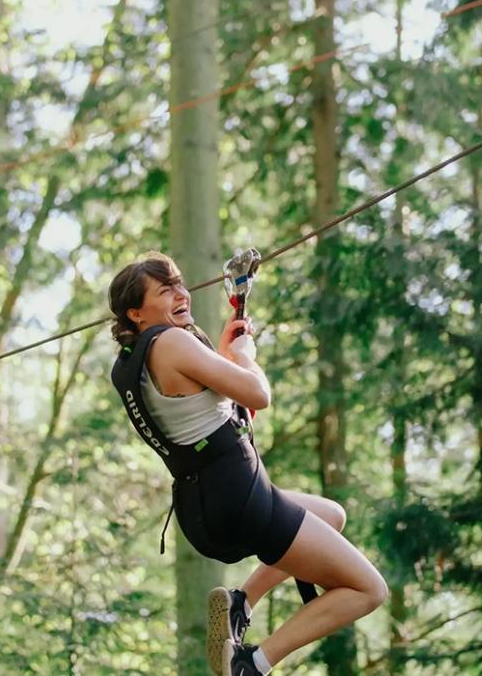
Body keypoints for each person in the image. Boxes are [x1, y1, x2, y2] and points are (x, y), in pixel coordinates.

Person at [108, 252, 388, 676]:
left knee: (331, 515)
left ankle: (241, 603)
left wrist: (224, 352)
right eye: (166, 291)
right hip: (238, 495)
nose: (182, 295)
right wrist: (247, 354)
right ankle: (253, 663)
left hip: (201, 507)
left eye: (181, 284)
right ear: (136, 312)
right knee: (368, 589)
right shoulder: (171, 341)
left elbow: (201, 405)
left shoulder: (131, 364)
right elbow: (257, 395)